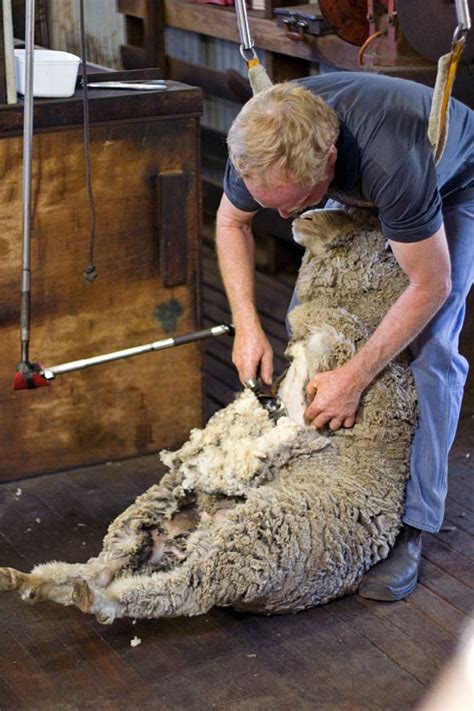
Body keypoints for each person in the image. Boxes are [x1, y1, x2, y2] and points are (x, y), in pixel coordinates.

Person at [215, 73, 474, 601]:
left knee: (429, 353)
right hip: (352, 189)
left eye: (294, 202)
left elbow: (432, 283)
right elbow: (231, 223)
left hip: (452, 179)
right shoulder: (259, 144)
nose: (286, 217)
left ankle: (410, 527)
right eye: (273, 203)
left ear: (329, 160)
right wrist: (246, 323)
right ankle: (311, 468)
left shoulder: (392, 161)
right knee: (311, 325)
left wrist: (356, 377)